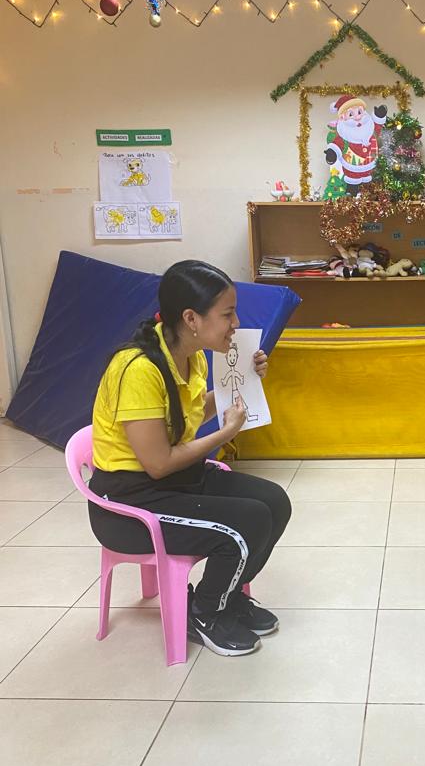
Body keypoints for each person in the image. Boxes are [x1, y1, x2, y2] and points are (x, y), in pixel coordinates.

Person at [88, 260, 291, 657]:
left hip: (173, 480)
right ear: (191, 319)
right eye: (227, 314)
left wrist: (244, 379)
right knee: (248, 521)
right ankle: (204, 613)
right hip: (130, 503)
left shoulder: (192, 355)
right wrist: (224, 435)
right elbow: (158, 463)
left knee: (274, 502)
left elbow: (190, 414)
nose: (236, 323)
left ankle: (226, 598)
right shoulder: (138, 370)